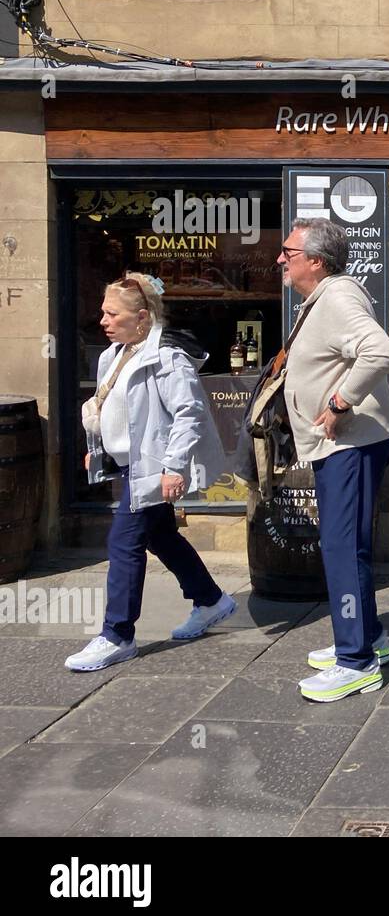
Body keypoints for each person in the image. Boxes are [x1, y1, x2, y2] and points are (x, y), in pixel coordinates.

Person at [67, 273, 235, 672]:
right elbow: (115, 411)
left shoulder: (167, 358)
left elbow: (188, 414)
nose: (103, 320)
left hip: (153, 469)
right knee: (160, 535)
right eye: (102, 312)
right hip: (131, 467)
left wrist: (173, 467)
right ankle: (211, 600)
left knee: (123, 543)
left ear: (141, 317)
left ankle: (117, 634)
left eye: (112, 313)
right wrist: (102, 452)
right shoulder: (114, 354)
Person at [278, 219, 389, 702]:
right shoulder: (324, 298)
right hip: (346, 444)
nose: (280, 258)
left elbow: (380, 350)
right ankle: (368, 637)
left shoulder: (338, 297)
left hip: (349, 442)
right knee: (350, 546)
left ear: (316, 260)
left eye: (288, 250)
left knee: (340, 548)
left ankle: (356, 663)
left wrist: (338, 404)